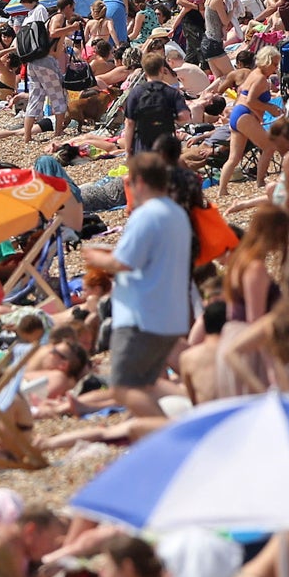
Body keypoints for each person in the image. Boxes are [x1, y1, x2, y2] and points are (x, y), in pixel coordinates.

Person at [82, 154, 192, 420]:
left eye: (129, 182)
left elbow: (124, 262)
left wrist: (95, 257)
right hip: (170, 313)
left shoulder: (147, 215)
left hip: (142, 316)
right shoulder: (177, 212)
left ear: (140, 182)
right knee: (147, 384)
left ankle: (169, 435)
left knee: (124, 388)